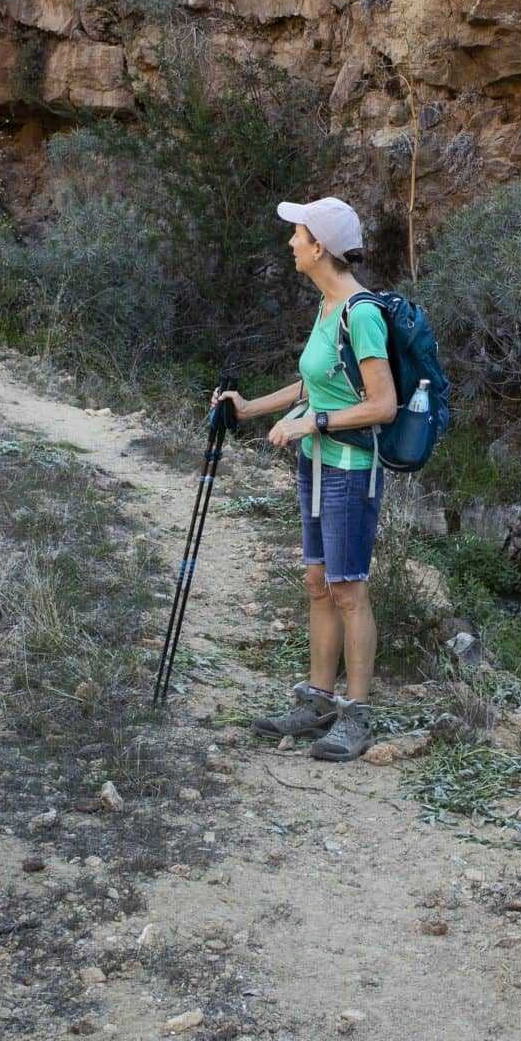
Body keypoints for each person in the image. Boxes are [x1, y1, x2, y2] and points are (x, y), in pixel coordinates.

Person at [214, 196, 397, 764]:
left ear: (319, 246)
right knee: (318, 582)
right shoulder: (326, 306)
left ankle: (357, 714)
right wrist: (249, 411)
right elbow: (311, 386)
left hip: (349, 472)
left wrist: (312, 423)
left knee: (348, 589)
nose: (290, 242)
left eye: (297, 234)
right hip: (316, 466)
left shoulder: (360, 313)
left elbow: (383, 405)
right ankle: (318, 701)